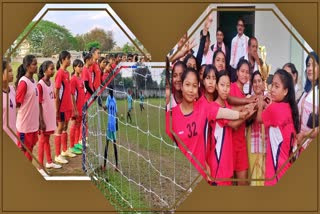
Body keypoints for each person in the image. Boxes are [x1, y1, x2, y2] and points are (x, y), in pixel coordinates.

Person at [166, 67, 251, 183]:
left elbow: (223, 111)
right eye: (187, 85)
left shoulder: (204, 107)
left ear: (198, 88)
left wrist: (243, 113)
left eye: (194, 86)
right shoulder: (171, 116)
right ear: (181, 86)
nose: (191, 90)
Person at [209, 70, 255, 185]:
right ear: (216, 87)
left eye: (228, 85)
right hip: (218, 162)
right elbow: (234, 125)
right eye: (222, 85)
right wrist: (251, 109)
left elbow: (236, 110)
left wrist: (252, 105)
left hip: (227, 161)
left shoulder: (227, 105)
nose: (225, 89)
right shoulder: (214, 107)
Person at [257, 69, 299, 186]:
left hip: (275, 173)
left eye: (277, 86)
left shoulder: (275, 109)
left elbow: (259, 118)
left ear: (285, 91)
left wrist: (260, 106)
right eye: (272, 85)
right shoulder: (289, 108)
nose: (272, 89)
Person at [229, 59, 251, 185]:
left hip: (241, 143)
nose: (244, 74)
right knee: (229, 183)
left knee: (243, 183)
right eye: (242, 71)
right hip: (230, 142)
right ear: (237, 72)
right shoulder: (231, 87)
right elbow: (230, 105)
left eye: (247, 72)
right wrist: (249, 103)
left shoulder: (245, 95)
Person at [37, 61, 62, 169]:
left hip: (50, 117)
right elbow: (38, 104)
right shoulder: (40, 85)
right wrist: (41, 121)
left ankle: (49, 162)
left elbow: (52, 100)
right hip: (43, 119)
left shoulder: (51, 83)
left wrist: (54, 117)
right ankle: (40, 166)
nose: (53, 71)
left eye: (53, 68)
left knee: (47, 140)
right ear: (45, 70)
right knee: (42, 141)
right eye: (51, 69)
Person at [15, 55, 39, 161]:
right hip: (25, 125)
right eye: (34, 64)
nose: (36, 66)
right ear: (28, 66)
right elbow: (17, 103)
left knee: (30, 150)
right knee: (24, 151)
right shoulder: (24, 82)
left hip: (33, 124)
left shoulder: (34, 82)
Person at [54, 51, 76, 165]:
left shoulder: (67, 73)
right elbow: (57, 92)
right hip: (62, 106)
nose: (70, 60)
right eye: (68, 58)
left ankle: (64, 150)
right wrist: (57, 110)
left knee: (65, 127)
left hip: (68, 106)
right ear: (63, 59)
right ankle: (57, 155)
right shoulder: (60, 73)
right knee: (60, 127)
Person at [246, 71, 267, 186]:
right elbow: (246, 120)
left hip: (265, 139)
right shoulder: (248, 98)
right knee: (252, 169)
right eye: (254, 82)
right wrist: (256, 108)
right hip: (252, 140)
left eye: (259, 81)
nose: (257, 84)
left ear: (264, 83)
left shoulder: (269, 99)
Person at [296, 52, 319, 152]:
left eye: (313, 65)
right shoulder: (306, 91)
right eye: (308, 65)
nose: (309, 69)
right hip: (300, 143)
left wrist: (304, 134)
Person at [70, 59, 85, 155]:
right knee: (74, 125)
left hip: (82, 105)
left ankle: (76, 143)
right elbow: (71, 95)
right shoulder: (73, 79)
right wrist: (74, 109)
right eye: (79, 66)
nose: (81, 68)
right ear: (74, 67)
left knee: (79, 124)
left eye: (81, 66)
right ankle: (71, 146)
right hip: (76, 107)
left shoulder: (81, 78)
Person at [103, 86, 119, 171]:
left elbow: (105, 107)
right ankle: (116, 166)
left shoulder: (109, 99)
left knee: (108, 145)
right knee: (113, 145)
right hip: (112, 124)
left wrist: (102, 106)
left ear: (108, 91)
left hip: (110, 125)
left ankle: (105, 166)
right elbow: (117, 112)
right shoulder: (114, 99)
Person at [2, 59, 18, 145]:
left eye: (12, 70)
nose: (12, 73)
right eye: (9, 71)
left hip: (14, 135)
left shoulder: (12, 89)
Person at [230, 17, 249, 81]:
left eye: (241, 25)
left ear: (244, 27)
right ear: (236, 27)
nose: (240, 27)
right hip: (235, 69)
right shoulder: (234, 40)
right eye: (238, 25)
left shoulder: (247, 39)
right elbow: (232, 55)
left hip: (244, 69)